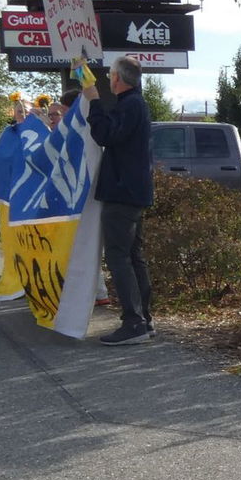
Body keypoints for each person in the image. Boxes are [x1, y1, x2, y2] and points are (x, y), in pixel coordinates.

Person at [77, 56, 155, 346]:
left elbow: (105, 134)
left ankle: (134, 322)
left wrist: (94, 100)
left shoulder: (131, 105)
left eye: (110, 75)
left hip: (122, 193)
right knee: (134, 256)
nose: (108, 80)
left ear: (118, 80)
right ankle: (143, 320)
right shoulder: (136, 104)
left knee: (119, 256)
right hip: (134, 192)